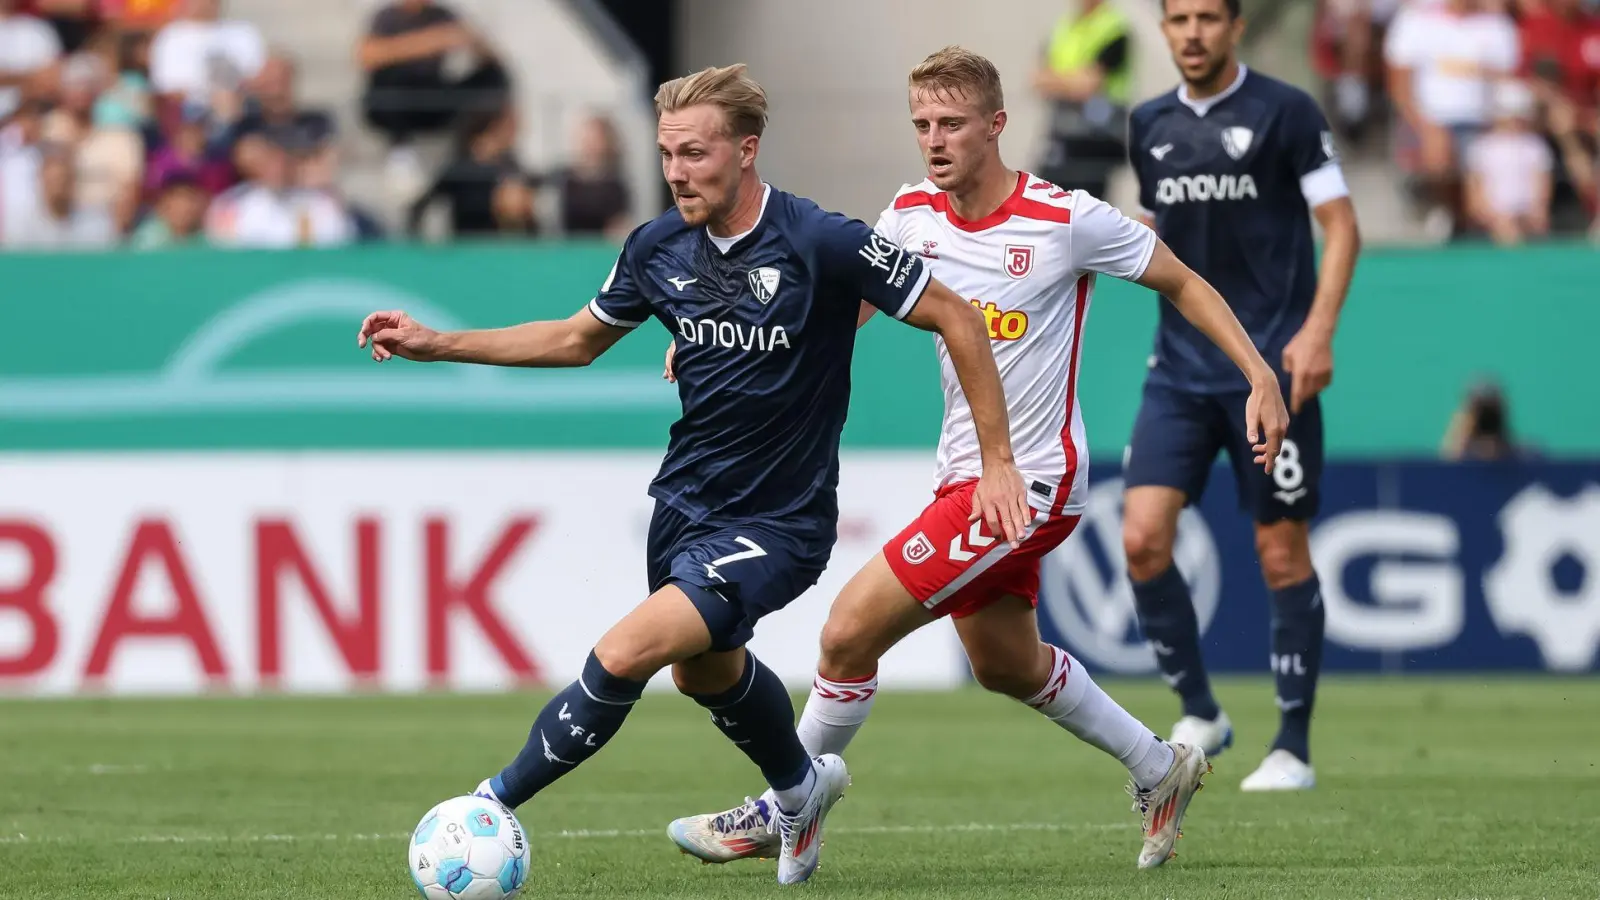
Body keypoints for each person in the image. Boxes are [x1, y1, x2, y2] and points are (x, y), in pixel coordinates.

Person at [355, 63, 1029, 886]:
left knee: (624, 652)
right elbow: (575, 340)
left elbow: (956, 314)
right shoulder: (656, 247)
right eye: (669, 153)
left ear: (746, 151)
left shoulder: (822, 240)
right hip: (685, 507)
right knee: (702, 671)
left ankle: (488, 806)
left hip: (781, 521)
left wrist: (997, 462)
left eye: (696, 153)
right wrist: (439, 342)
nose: (677, 171)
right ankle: (799, 788)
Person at [662, 46, 1290, 870]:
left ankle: (779, 808)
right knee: (1004, 663)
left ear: (996, 125)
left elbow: (1181, 281)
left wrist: (1260, 375)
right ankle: (1159, 767)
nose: (934, 139)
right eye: (922, 124)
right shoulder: (911, 215)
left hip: (1031, 480)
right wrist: (734, 342)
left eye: (952, 123)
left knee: (849, 634)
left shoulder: (1065, 219)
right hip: (962, 476)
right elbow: (845, 308)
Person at [1122, 0, 1361, 791]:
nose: (1192, 32)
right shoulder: (1148, 123)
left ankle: (1292, 744)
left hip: (1272, 375)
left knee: (1278, 550)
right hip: (1178, 372)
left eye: (1208, 18)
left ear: (1236, 27)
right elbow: (1151, 245)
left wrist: (1318, 330)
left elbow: (1341, 224)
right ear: (1164, 29)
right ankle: (1202, 710)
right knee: (1141, 539)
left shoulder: (1286, 112)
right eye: (1178, 18)